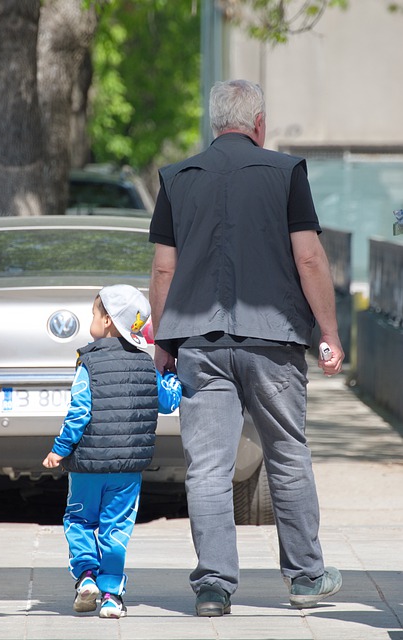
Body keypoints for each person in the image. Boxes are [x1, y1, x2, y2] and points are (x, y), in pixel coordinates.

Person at [149, 79, 345, 617]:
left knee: (206, 468)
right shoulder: (286, 174)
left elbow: (164, 268)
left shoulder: (177, 177)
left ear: (215, 123)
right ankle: (306, 578)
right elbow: (308, 259)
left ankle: (213, 587)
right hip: (274, 340)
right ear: (260, 123)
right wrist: (328, 332)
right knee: (286, 454)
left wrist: (162, 342)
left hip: (197, 342)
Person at [42, 284, 181, 619]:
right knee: (115, 528)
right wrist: (173, 378)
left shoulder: (88, 363)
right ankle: (111, 598)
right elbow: (168, 402)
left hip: (87, 466)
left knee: (78, 519)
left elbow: (79, 412)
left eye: (94, 313)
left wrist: (59, 450)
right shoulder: (147, 366)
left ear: (107, 322)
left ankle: (86, 575)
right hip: (128, 471)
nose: (91, 319)